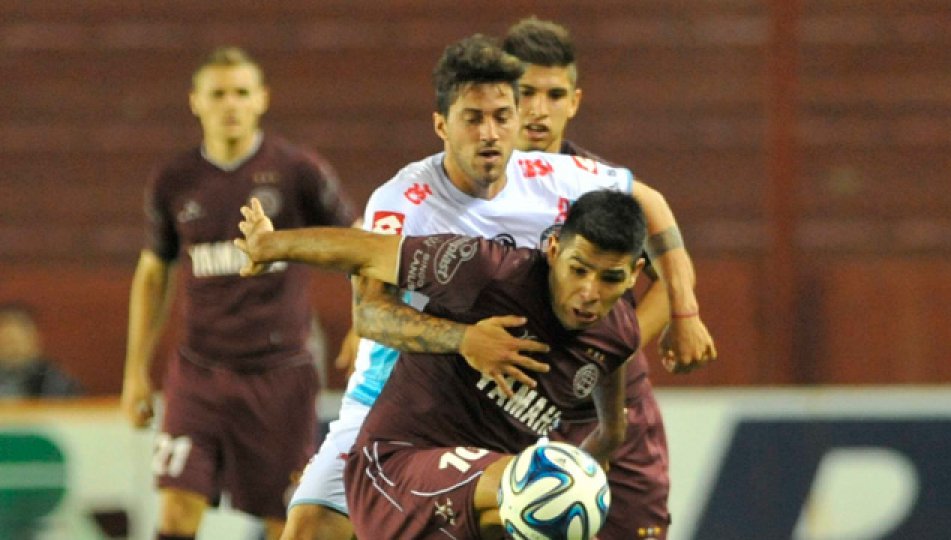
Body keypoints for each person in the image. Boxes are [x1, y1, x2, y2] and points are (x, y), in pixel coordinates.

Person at [281, 34, 714, 539]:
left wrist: (684, 311)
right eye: (474, 118)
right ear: (442, 124)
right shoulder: (404, 200)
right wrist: (464, 340)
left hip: (500, 411)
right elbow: (371, 316)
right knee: (309, 528)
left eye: (502, 117)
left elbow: (652, 204)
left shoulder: (556, 177)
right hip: (394, 404)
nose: (491, 132)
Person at [236, 188, 646, 539]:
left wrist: (601, 449)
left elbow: (610, 420)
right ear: (554, 249)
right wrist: (270, 246)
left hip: (470, 506)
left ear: (634, 274)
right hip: (394, 467)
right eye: (578, 270)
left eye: (610, 278)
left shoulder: (618, 335)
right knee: (549, 485)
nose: (589, 292)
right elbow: (366, 253)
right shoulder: (490, 272)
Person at [120, 46, 357, 540]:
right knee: (176, 513)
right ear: (196, 102)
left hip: (281, 376)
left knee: (284, 521)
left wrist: (364, 323)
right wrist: (135, 373)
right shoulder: (174, 180)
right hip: (198, 372)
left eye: (242, 92)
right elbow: (153, 273)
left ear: (262, 100)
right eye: (219, 93)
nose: (231, 103)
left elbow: (357, 243)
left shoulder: (298, 171)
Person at [504, 16, 690, 538]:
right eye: (524, 93)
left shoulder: (602, 188)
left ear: (575, 101)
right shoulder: (473, 193)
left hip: (608, 408)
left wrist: (615, 347)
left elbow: (666, 262)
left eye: (553, 94)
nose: (538, 109)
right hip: (511, 409)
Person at [0, 302, 83, 398]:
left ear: (35, 339)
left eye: (16, 340)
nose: (12, 349)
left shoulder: (53, 379)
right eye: (6, 341)